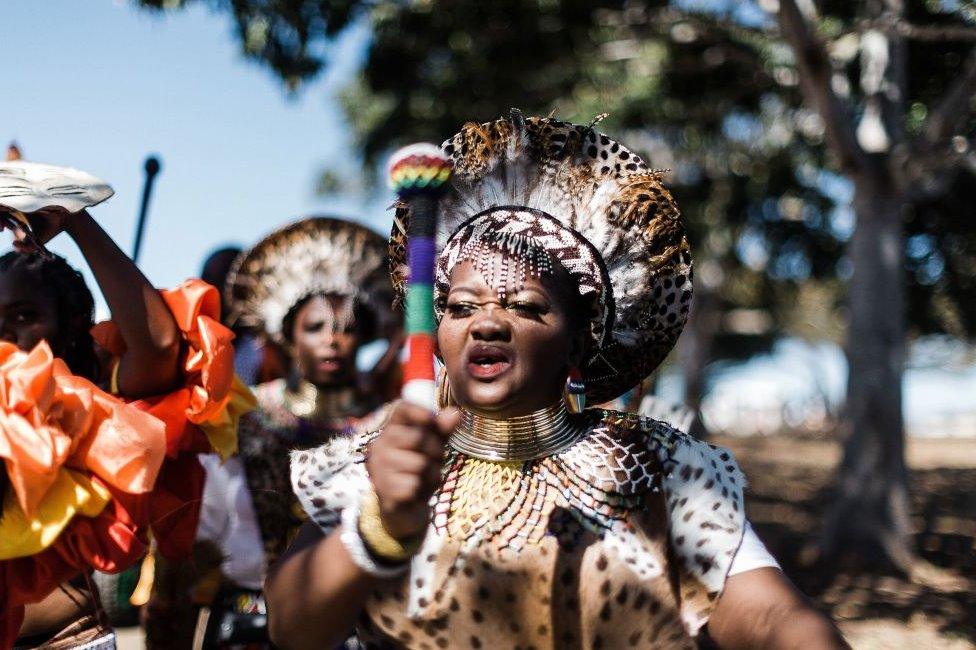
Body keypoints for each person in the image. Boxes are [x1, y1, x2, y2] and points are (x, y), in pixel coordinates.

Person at [265, 112, 850, 649]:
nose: (487, 322)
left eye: (524, 306)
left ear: (579, 341)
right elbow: (291, 630)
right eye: (463, 307)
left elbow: (773, 619)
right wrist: (379, 526)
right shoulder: (379, 465)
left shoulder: (660, 465)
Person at [0, 160, 245, 649]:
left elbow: (156, 345)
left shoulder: (93, 409)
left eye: (25, 315)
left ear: (68, 325)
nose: (6, 333)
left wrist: (71, 218)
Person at [190, 216, 400, 648]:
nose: (332, 341)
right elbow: (208, 527)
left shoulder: (385, 421)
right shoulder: (245, 412)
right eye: (316, 327)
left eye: (346, 329)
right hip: (247, 619)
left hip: (353, 619)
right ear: (288, 335)